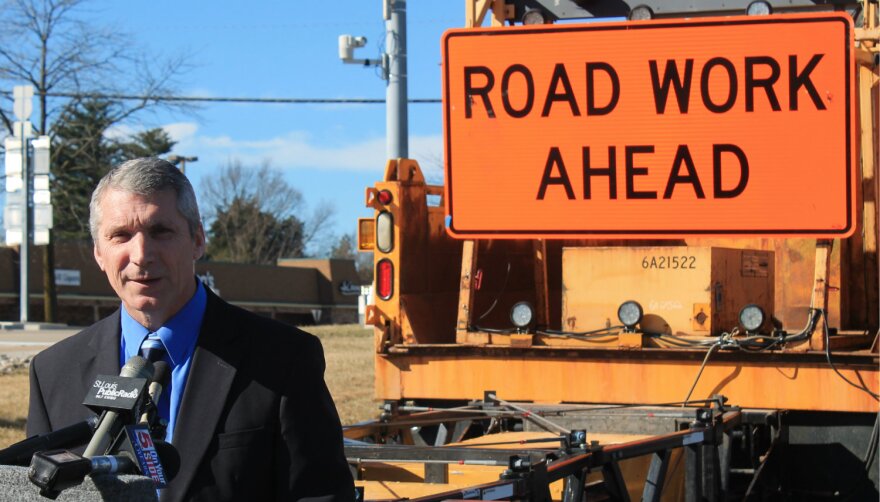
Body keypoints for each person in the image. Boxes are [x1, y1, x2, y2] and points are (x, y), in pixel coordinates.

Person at [27, 157, 354, 501]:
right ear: (99, 253)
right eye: (120, 235)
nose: (141, 254)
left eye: (160, 232)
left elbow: (320, 494)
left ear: (197, 239)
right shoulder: (53, 373)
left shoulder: (282, 358)